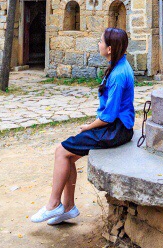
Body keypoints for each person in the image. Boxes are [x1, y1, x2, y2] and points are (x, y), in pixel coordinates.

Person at [31, 27, 134, 225]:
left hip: (115, 130)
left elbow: (109, 116)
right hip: (116, 126)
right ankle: (68, 207)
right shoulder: (119, 65)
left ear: (110, 48)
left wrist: (88, 127)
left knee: (61, 151)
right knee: (68, 155)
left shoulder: (119, 75)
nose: (99, 44)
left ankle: (53, 205)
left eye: (101, 41)